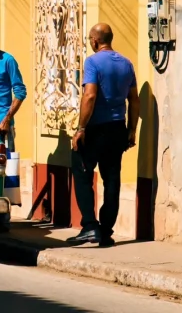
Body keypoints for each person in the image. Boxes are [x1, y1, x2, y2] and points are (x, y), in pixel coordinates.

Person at [69, 23, 139, 248]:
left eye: (90, 39)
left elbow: (89, 96)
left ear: (95, 41)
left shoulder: (93, 62)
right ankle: (106, 231)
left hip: (95, 129)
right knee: (112, 180)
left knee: (81, 172)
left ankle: (90, 226)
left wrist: (80, 128)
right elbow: (134, 100)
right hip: (118, 128)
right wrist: (131, 130)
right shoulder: (127, 64)